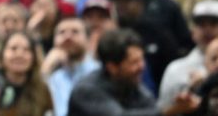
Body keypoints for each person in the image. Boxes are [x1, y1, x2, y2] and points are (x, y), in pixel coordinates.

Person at [68, 28, 201, 116]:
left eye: (141, 60)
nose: (141, 67)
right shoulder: (86, 91)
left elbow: (152, 109)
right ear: (112, 67)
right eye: (134, 62)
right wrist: (168, 111)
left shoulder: (134, 88)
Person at [159, 0, 218, 111]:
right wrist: (190, 89)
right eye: (201, 24)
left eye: (214, 23)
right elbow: (162, 111)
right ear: (193, 30)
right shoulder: (175, 69)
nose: (207, 29)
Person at [42, 17, 100, 116]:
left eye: (75, 32)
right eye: (62, 32)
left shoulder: (99, 72)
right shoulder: (52, 77)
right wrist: (46, 68)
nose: (68, 36)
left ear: (88, 40)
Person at [0, 31, 54, 116]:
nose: (19, 54)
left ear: (33, 57)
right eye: (13, 48)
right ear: (2, 55)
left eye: (26, 50)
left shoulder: (43, 90)